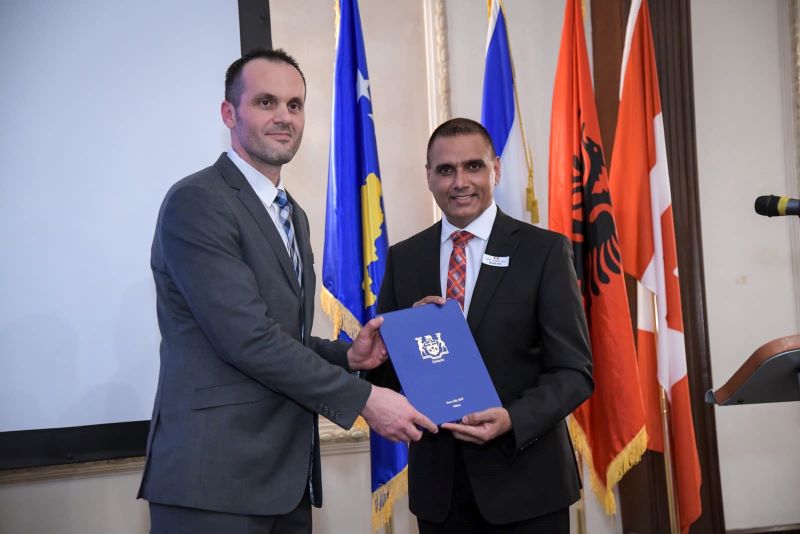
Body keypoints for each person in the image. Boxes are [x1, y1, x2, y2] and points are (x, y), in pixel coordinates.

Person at [138, 48, 436, 533]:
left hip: (284, 480)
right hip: (214, 484)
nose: (284, 117)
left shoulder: (291, 213)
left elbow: (282, 336)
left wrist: (348, 357)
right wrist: (365, 400)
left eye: (294, 105)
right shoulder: (198, 202)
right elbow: (247, 339)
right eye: (266, 102)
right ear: (229, 113)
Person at [368, 118, 593, 533]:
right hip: (441, 494)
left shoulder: (543, 251)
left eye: (473, 166)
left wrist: (512, 419)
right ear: (429, 177)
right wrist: (401, 342)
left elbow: (574, 372)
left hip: (528, 487)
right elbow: (386, 377)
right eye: (445, 170)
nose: (460, 182)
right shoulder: (404, 259)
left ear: (496, 170)